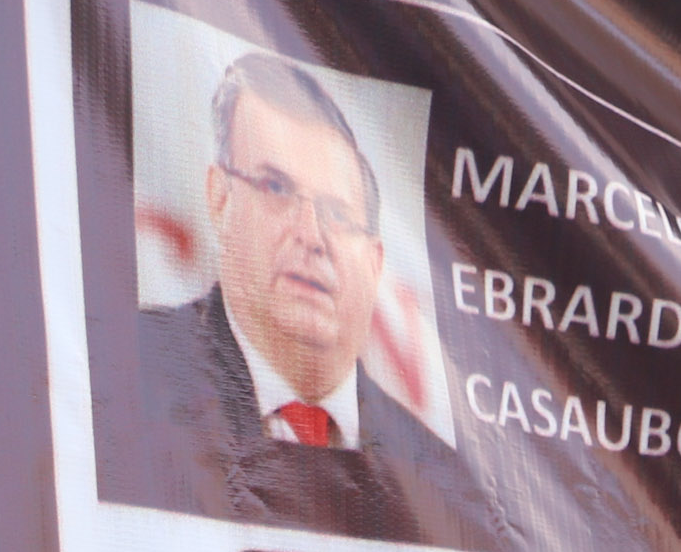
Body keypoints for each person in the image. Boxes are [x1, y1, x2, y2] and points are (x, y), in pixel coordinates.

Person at [139, 53, 453, 477]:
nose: (311, 235)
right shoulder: (124, 368)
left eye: (338, 215)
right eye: (275, 187)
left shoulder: (438, 472)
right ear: (219, 198)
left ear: (375, 263)